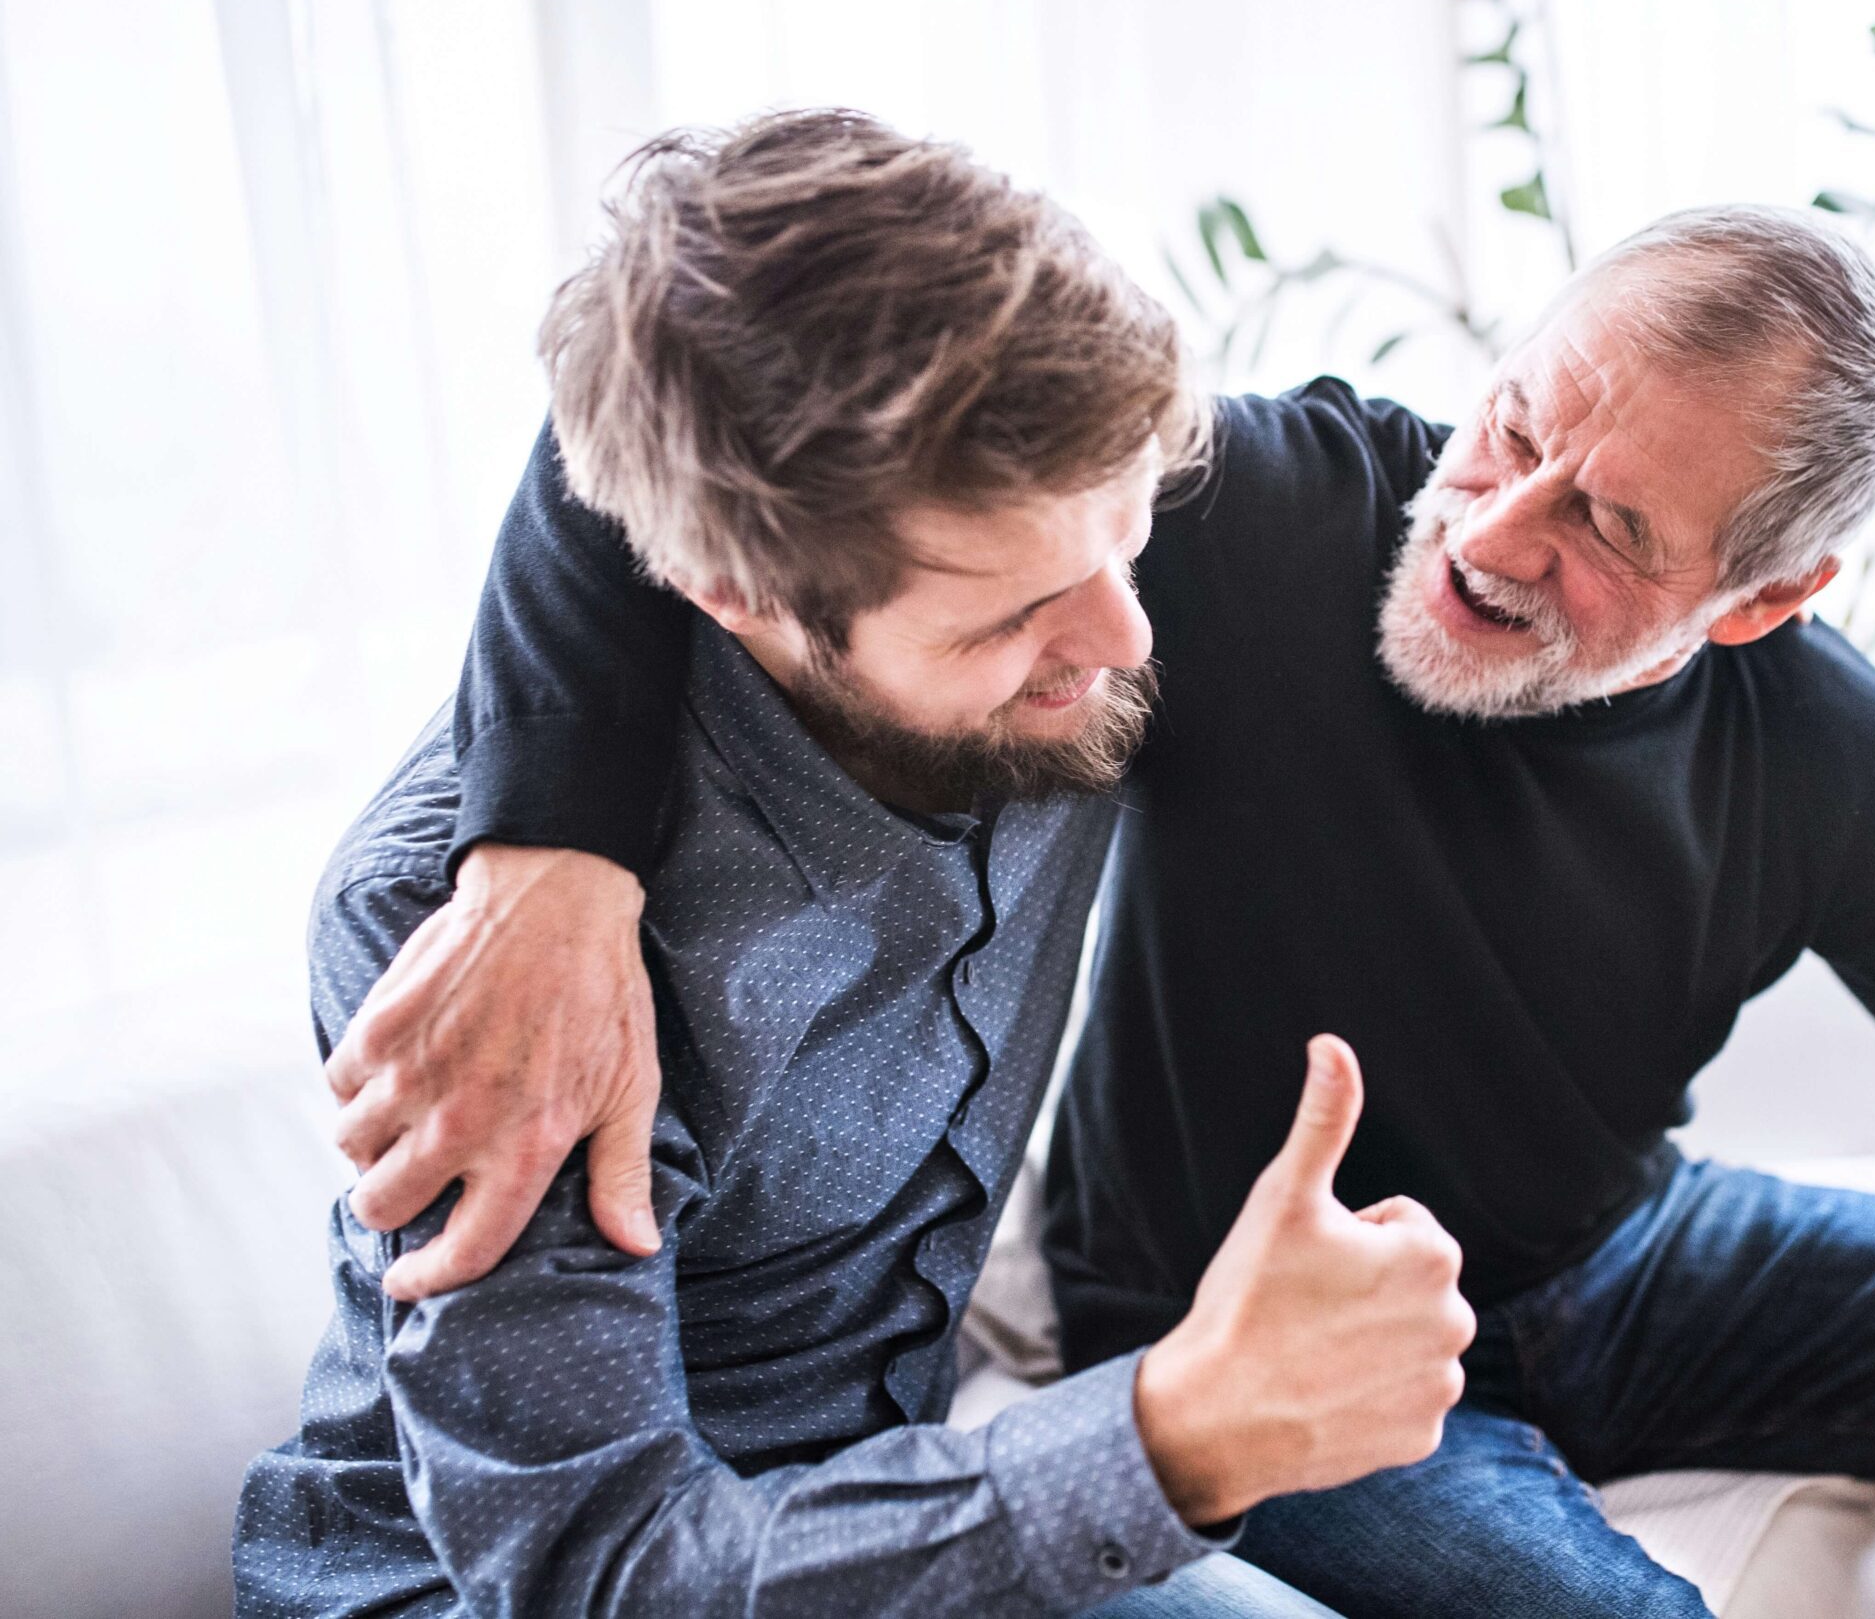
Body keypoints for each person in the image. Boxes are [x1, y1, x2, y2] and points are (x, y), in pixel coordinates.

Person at [320, 201, 1875, 1619]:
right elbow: (706, 408)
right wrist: (550, 849)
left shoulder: (1826, 754)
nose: (1493, 526)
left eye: (1611, 527)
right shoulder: (1248, 516)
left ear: (1767, 599)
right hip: (1227, 1307)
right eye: (1520, 421)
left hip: (1618, 1256)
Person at [233, 110, 1478, 1619]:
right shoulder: (469, 949)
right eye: (1007, 617)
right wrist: (1175, 1436)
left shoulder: (1052, 569)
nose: (1125, 640)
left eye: (1130, 533)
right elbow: (596, 1575)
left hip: (899, 1521)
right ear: (727, 589)